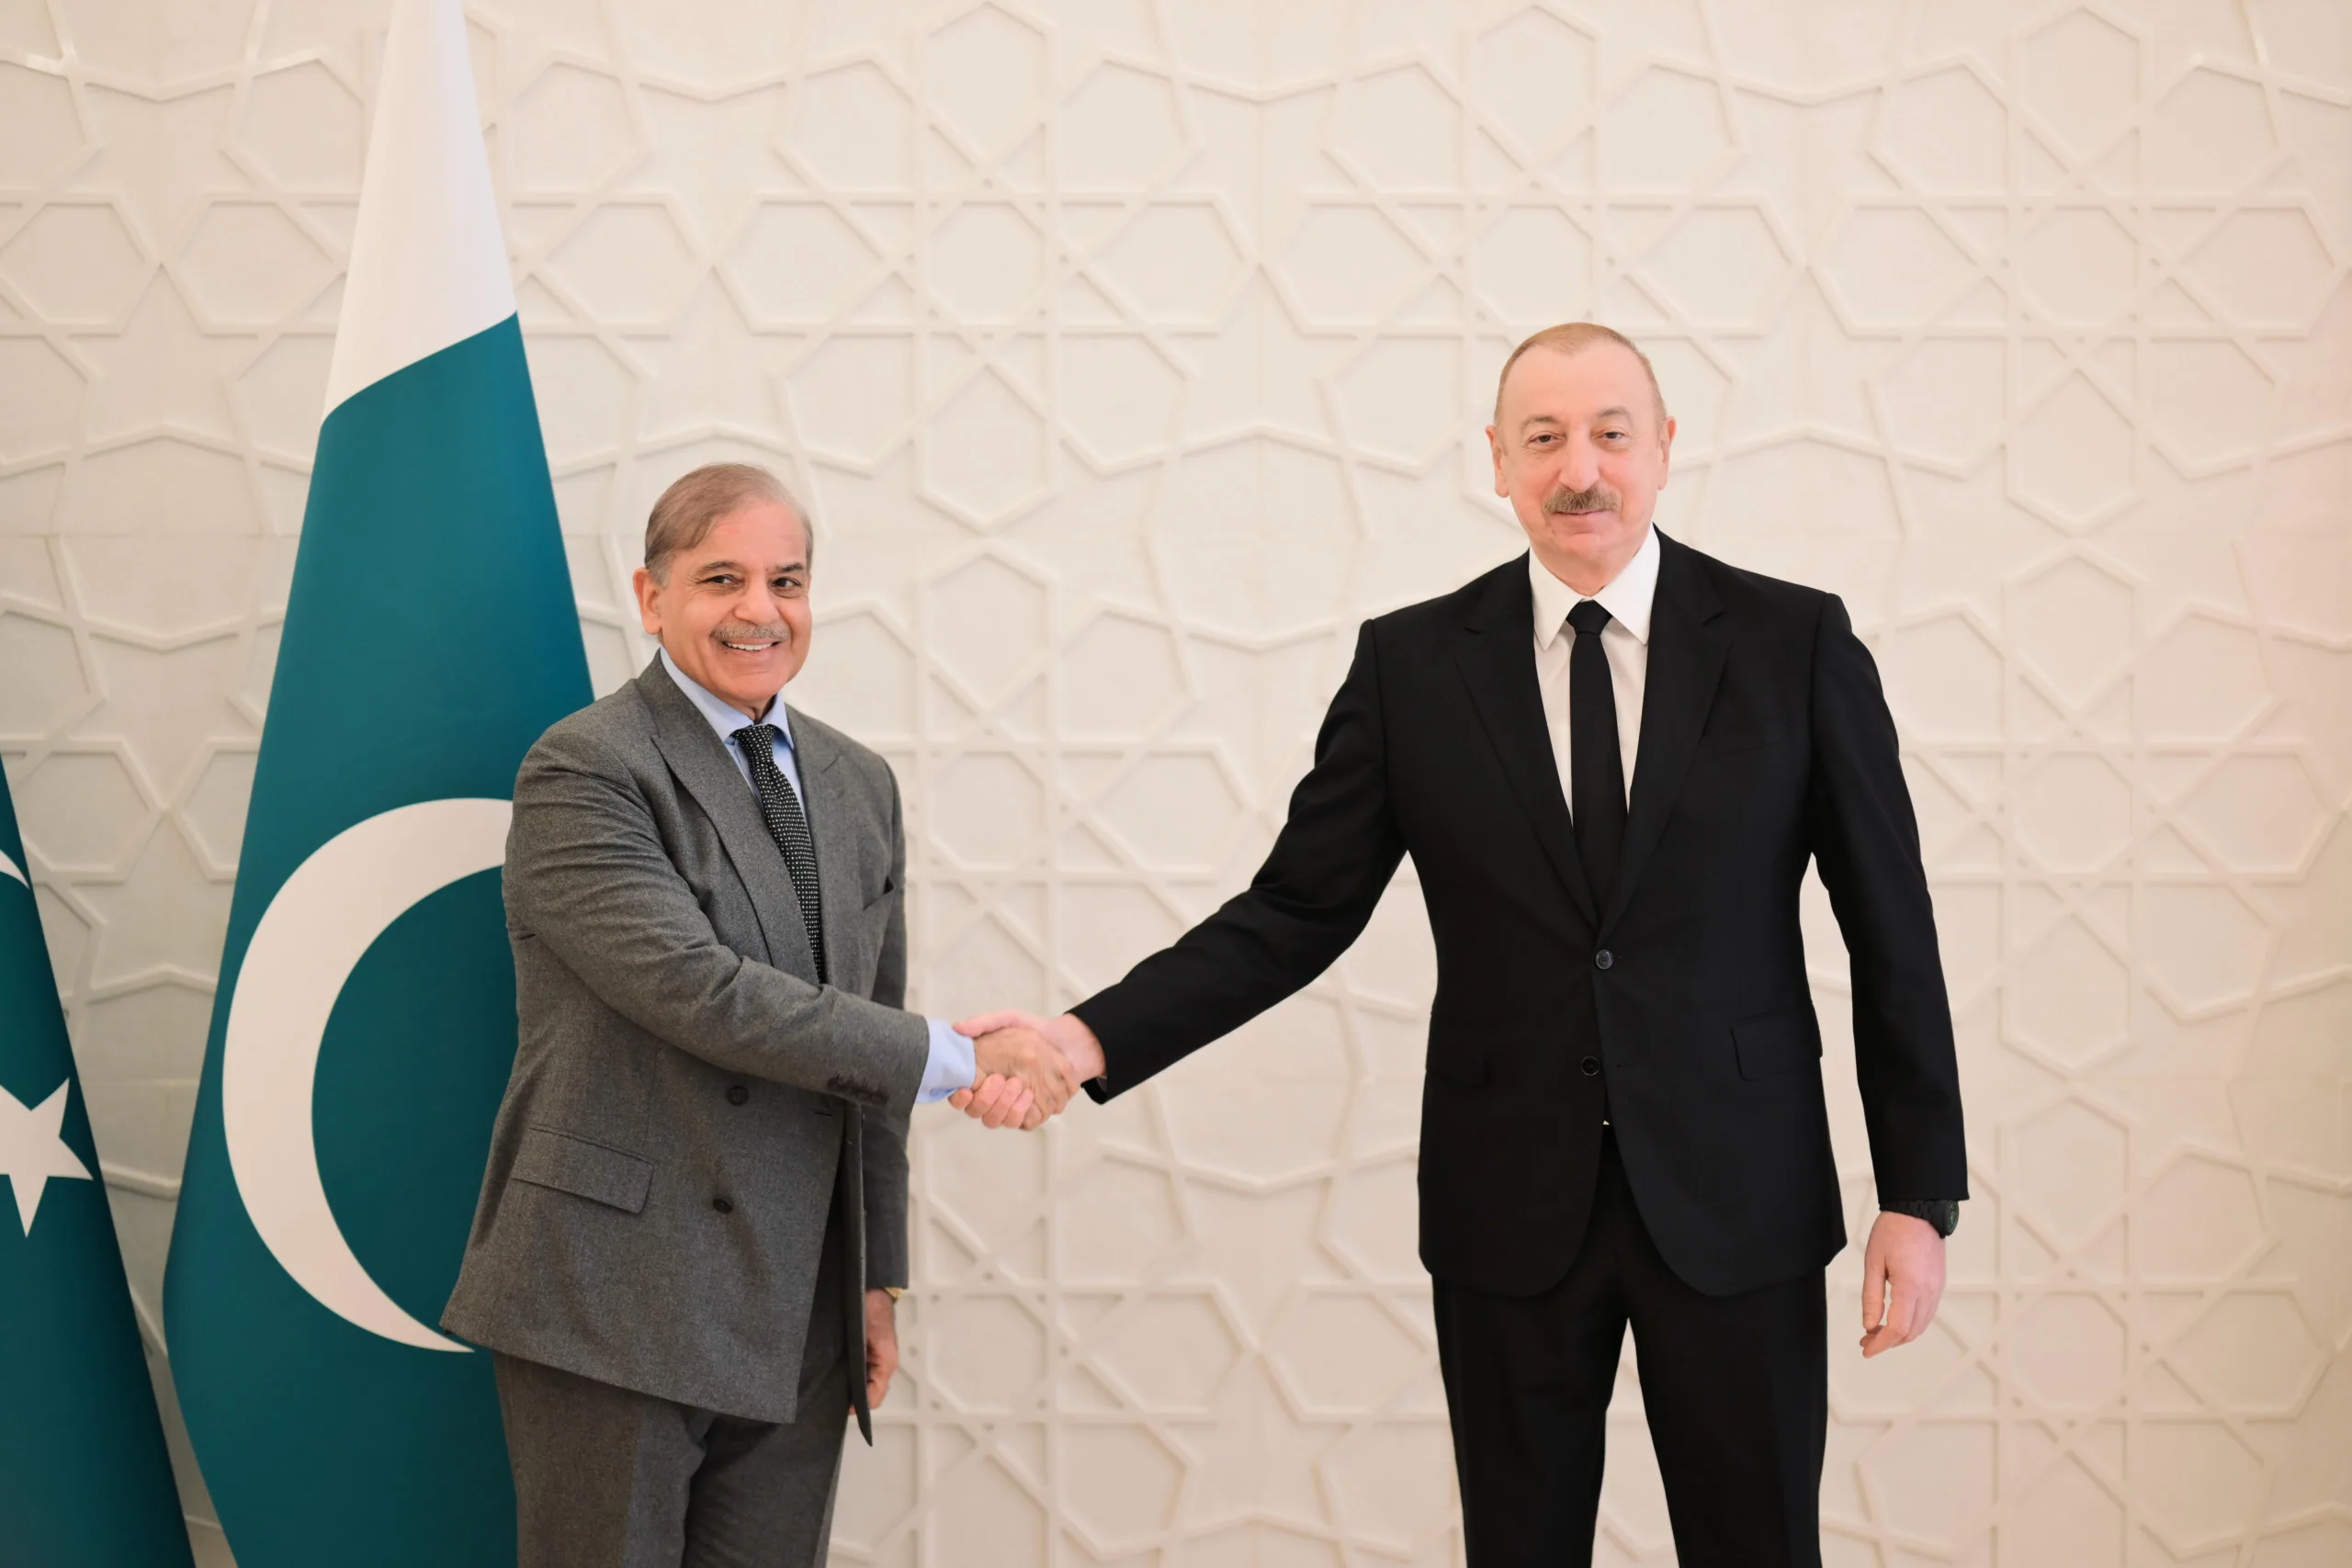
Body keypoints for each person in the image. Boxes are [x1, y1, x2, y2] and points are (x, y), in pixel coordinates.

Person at [958, 324, 1967, 1566]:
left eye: (1609, 434)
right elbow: (1294, 911)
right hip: (1510, 1205)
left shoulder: (1792, 642)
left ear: (1664, 448)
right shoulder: (1413, 665)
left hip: (1740, 1193)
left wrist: (1917, 1195)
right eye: (1543, 438)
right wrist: (1082, 1037)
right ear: (1497, 460)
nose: (1579, 469)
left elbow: (1891, 923)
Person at [442, 463, 1073, 1567]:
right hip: (613, 1296)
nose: (760, 610)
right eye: (721, 578)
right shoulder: (585, 769)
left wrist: (871, 1276)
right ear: (651, 598)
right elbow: (702, 993)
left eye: (786, 581)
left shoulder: (857, 783)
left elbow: (864, 1048)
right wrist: (960, 1055)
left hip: (800, 1304)